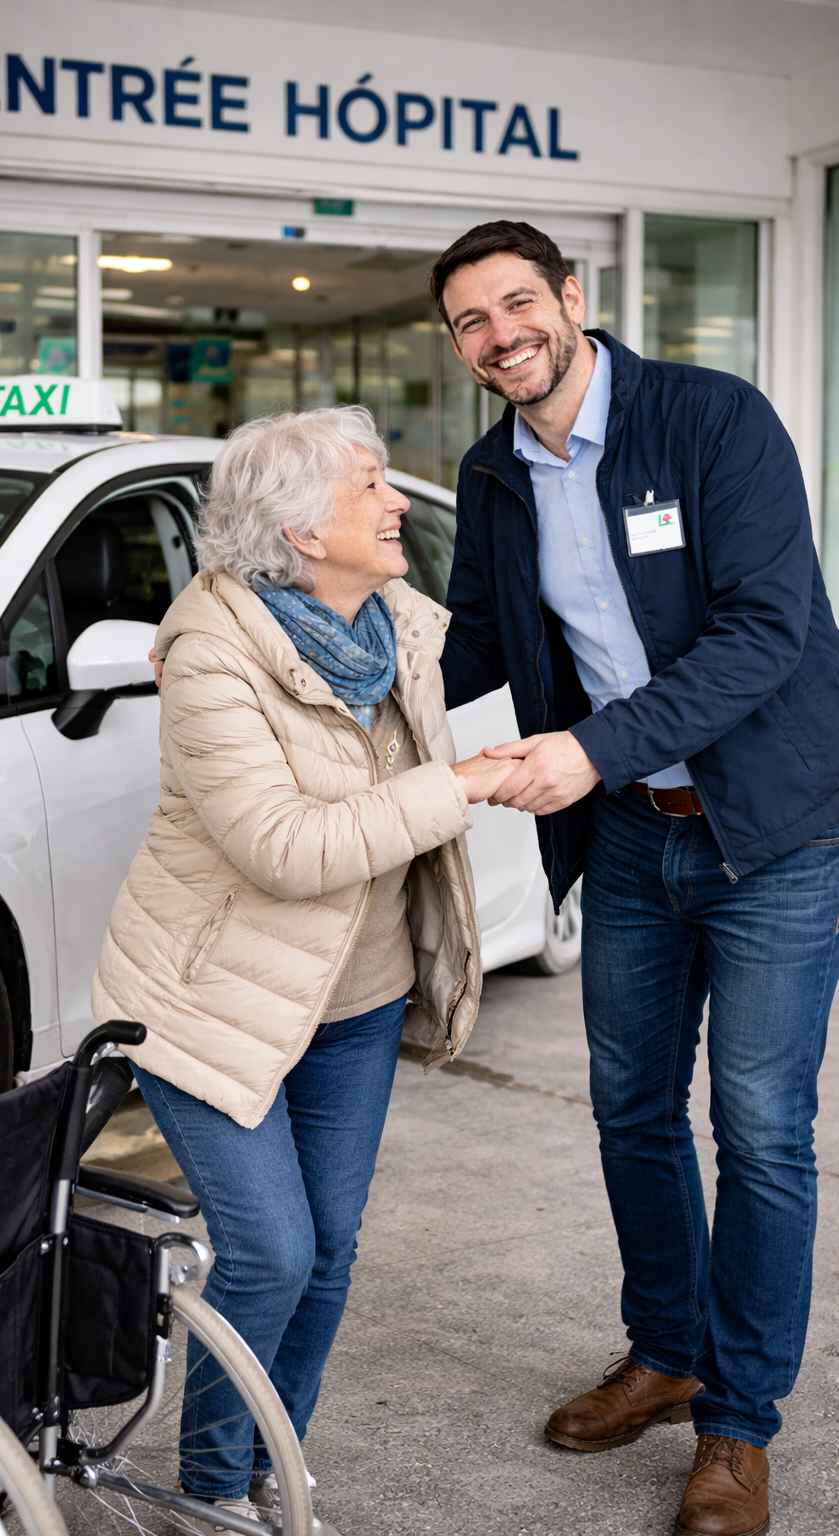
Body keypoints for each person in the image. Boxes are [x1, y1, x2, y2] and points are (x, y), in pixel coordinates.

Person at [432, 219, 839, 1536]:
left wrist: (587, 748)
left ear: (572, 295)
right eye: (472, 324)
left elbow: (767, 630)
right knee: (630, 1110)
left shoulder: (714, 421)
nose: (503, 336)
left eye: (517, 304)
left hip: (773, 829)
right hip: (629, 834)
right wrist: (287, 650)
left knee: (763, 1131)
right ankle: (665, 1354)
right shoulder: (494, 476)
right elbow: (468, 640)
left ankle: (738, 1426)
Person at [93, 406, 517, 1535]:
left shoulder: (392, 624)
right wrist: (459, 783)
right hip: (209, 1000)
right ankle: (211, 1488)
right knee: (272, 1252)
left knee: (328, 1251)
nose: (395, 502)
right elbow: (286, 848)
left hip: (356, 1000)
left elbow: (525, 629)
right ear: (299, 528)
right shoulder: (210, 655)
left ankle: (271, 1454)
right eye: (372, 485)